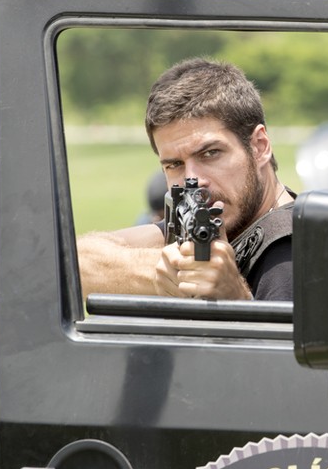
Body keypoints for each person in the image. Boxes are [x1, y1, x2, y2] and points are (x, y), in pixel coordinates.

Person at [77, 58, 295, 302]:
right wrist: (168, 270)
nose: (194, 180)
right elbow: (76, 261)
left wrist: (235, 299)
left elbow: (278, 341)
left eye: (210, 153)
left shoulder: (291, 255)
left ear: (259, 147)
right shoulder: (203, 222)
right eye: (174, 164)